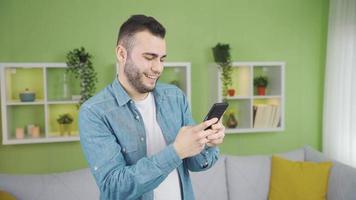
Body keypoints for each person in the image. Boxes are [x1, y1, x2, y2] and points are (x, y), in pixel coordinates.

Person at [79, 14, 226, 200]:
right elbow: (113, 187)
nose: (158, 68)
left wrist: (208, 143)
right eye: (149, 57)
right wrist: (176, 151)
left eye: (162, 59)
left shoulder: (175, 97)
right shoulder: (94, 112)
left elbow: (195, 163)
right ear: (121, 54)